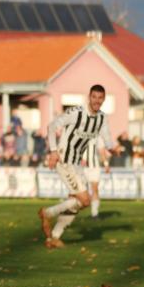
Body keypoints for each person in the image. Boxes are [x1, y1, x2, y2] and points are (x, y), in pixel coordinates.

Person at [39, 85, 121, 248]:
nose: (97, 100)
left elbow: (107, 138)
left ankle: (54, 237)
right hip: (64, 159)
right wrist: (54, 152)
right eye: (94, 97)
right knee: (84, 200)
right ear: (89, 97)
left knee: (76, 203)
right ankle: (47, 213)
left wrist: (113, 148)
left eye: (100, 98)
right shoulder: (76, 112)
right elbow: (52, 126)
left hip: (76, 163)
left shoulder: (102, 118)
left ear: (103, 99)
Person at [83, 136, 108, 218]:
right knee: (80, 192)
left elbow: (101, 151)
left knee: (95, 189)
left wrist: (106, 164)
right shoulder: (78, 133)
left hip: (94, 167)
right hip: (82, 167)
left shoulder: (97, 136)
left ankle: (94, 213)